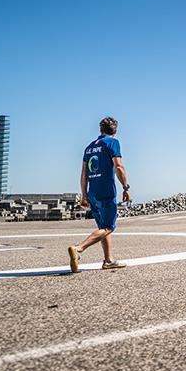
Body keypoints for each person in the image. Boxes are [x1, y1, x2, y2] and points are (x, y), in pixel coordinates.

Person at [68, 117, 131, 273]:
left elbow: (84, 174)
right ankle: (79, 249)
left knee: (102, 227)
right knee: (109, 227)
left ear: (100, 130)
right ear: (115, 131)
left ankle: (108, 260)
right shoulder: (112, 143)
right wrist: (126, 187)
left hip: (92, 193)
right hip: (106, 192)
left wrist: (84, 196)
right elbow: (119, 166)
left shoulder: (89, 148)